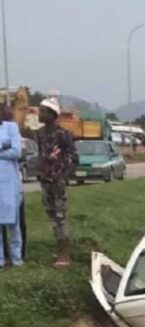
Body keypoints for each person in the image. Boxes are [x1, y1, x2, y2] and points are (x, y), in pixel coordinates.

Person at [36, 98, 76, 269]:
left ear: (52, 115)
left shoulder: (64, 135)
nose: (40, 114)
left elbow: (74, 158)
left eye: (43, 111)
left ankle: (64, 255)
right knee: (52, 217)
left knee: (61, 217)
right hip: (45, 181)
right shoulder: (40, 134)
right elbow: (40, 154)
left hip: (58, 181)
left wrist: (64, 178)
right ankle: (59, 250)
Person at [0, 103, 23, 268]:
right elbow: (9, 149)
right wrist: (2, 145)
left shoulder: (12, 127)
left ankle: (16, 259)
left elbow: (17, 152)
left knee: (14, 224)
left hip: (10, 182)